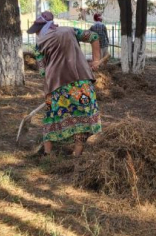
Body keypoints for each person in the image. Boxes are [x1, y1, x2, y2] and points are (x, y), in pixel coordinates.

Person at [27, 11, 102, 157]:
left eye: (36, 31)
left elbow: (42, 71)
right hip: (80, 84)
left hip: (56, 88)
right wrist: (96, 60)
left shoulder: (39, 45)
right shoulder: (70, 31)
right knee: (82, 118)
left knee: (51, 118)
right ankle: (77, 153)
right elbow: (94, 36)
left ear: (41, 29)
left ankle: (47, 153)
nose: (36, 34)